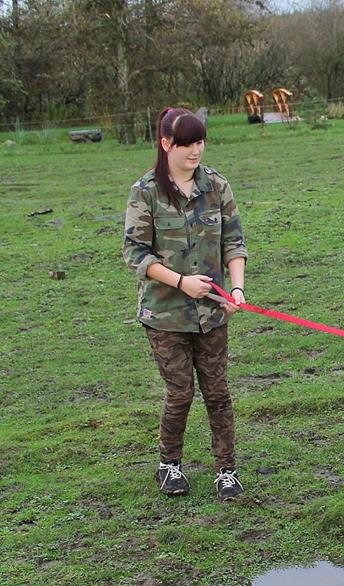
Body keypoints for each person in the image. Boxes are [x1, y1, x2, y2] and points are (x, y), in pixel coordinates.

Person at [123, 107, 248, 501]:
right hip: (165, 316)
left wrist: (237, 291)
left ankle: (226, 471)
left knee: (218, 392)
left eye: (200, 142)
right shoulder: (145, 191)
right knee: (180, 393)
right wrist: (181, 282)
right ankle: (169, 466)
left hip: (213, 312)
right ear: (166, 144)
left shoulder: (217, 186)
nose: (195, 151)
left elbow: (234, 242)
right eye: (186, 144)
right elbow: (136, 254)